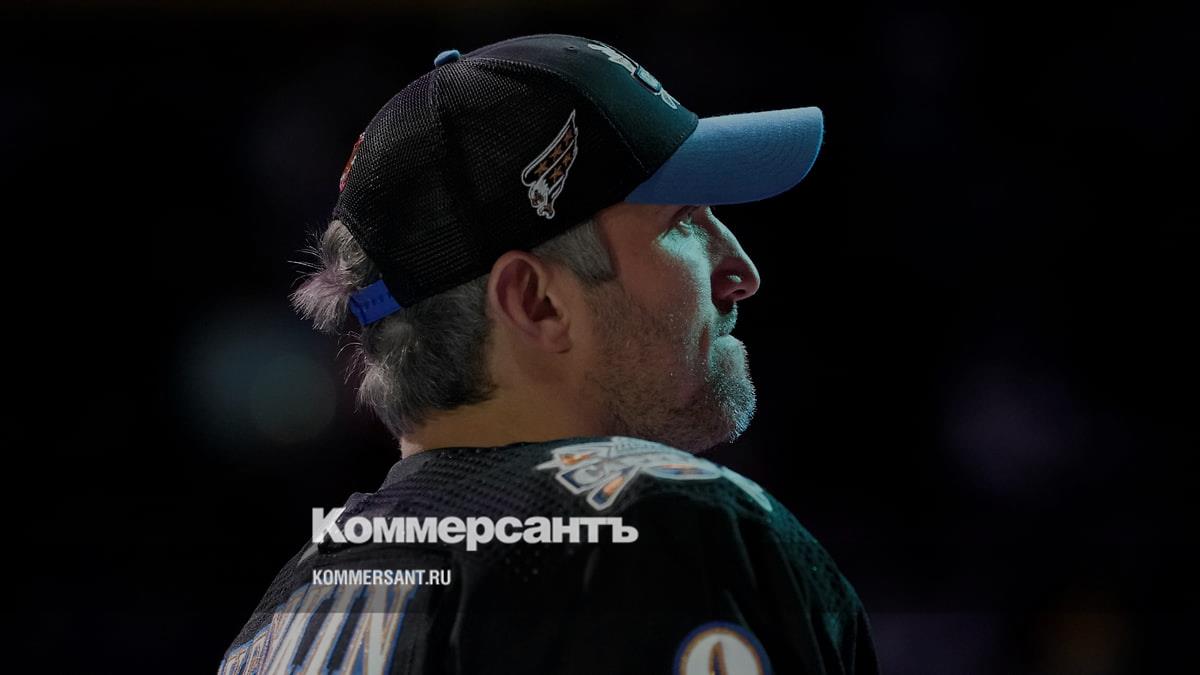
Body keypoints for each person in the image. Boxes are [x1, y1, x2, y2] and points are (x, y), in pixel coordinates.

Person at [219, 33, 880, 675]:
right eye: (683, 221)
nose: (742, 270)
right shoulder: (663, 528)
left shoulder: (282, 613)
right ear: (536, 302)